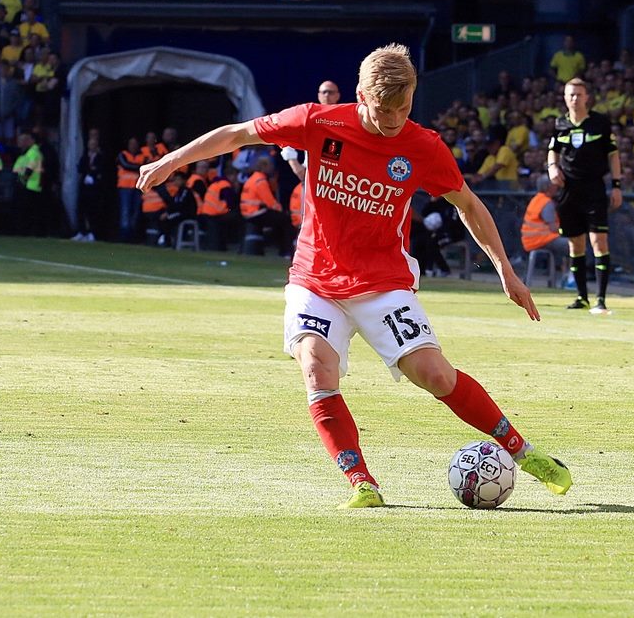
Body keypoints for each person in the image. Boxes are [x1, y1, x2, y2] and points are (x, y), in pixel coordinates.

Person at [137, 43, 572, 509]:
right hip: (316, 278)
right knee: (315, 367)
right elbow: (237, 134)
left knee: (433, 374)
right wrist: (171, 161)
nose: (394, 120)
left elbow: (467, 204)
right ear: (361, 94)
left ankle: (524, 454)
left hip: (383, 282)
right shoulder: (318, 122)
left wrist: (506, 270)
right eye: (384, 110)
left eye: (403, 108)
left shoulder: (423, 146)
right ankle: (362, 483)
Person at [547, 78, 622, 314]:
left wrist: (617, 185)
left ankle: (601, 298)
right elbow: (553, 150)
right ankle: (582, 297)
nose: (574, 99)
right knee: (575, 244)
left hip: (594, 189)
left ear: (587, 97)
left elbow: (613, 155)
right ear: (565, 97)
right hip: (569, 191)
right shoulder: (560, 123)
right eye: (571, 94)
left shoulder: (600, 123)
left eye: (579, 94)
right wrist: (552, 167)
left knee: (599, 242)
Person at [520, 176, 569, 271]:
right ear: (548, 187)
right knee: (575, 245)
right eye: (554, 185)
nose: (556, 187)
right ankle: (571, 277)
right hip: (541, 240)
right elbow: (553, 228)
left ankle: (563, 274)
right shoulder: (546, 203)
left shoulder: (536, 200)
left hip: (530, 240)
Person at [73, 135, 104, 242]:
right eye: (90, 145)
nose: (92, 147)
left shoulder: (100, 157)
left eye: (94, 145)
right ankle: (82, 231)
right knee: (81, 210)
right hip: (84, 187)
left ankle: (92, 232)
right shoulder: (85, 156)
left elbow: (100, 170)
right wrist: (90, 169)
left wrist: (93, 173)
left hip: (94, 189)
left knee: (92, 211)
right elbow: (80, 168)